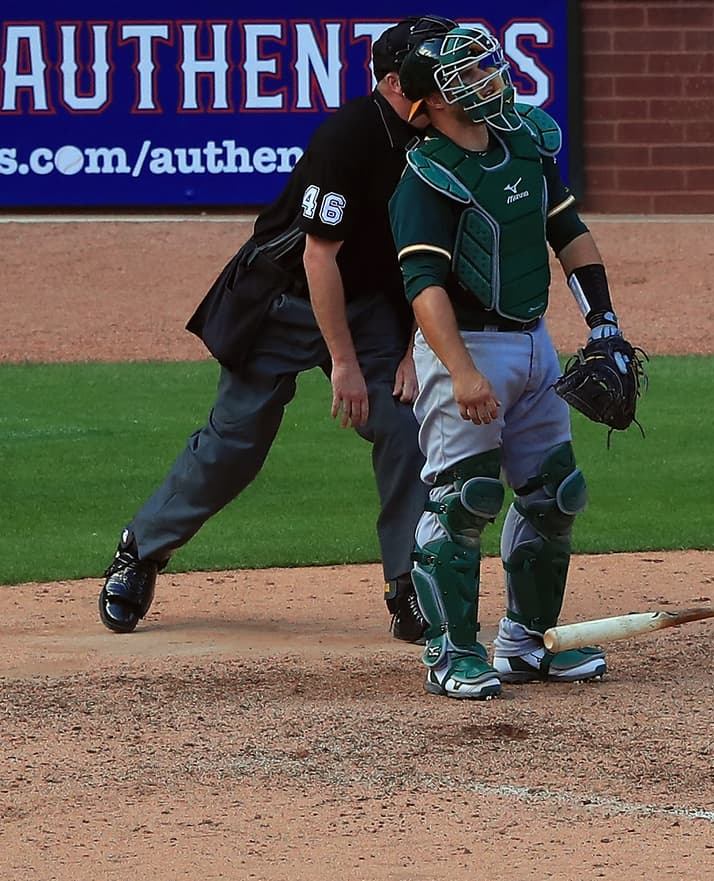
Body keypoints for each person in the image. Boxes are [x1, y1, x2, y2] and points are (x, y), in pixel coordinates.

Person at [98, 17, 458, 640]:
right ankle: (142, 549)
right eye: (438, 69)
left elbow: (428, 258)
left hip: (374, 306)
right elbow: (320, 257)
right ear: (398, 82)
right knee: (236, 444)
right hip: (287, 299)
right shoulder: (347, 137)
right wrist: (343, 365)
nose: (452, 80)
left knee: (404, 424)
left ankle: (409, 585)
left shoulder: (445, 138)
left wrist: (410, 348)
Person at [387, 23, 632, 700]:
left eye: (486, 68)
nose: (488, 80)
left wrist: (604, 324)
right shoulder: (426, 178)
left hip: (533, 342)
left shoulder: (526, 139)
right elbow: (424, 289)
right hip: (467, 347)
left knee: (556, 494)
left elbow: (569, 234)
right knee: (464, 499)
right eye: (466, 75)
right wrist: (461, 370)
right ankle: (450, 652)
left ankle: (527, 642)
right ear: (431, 102)